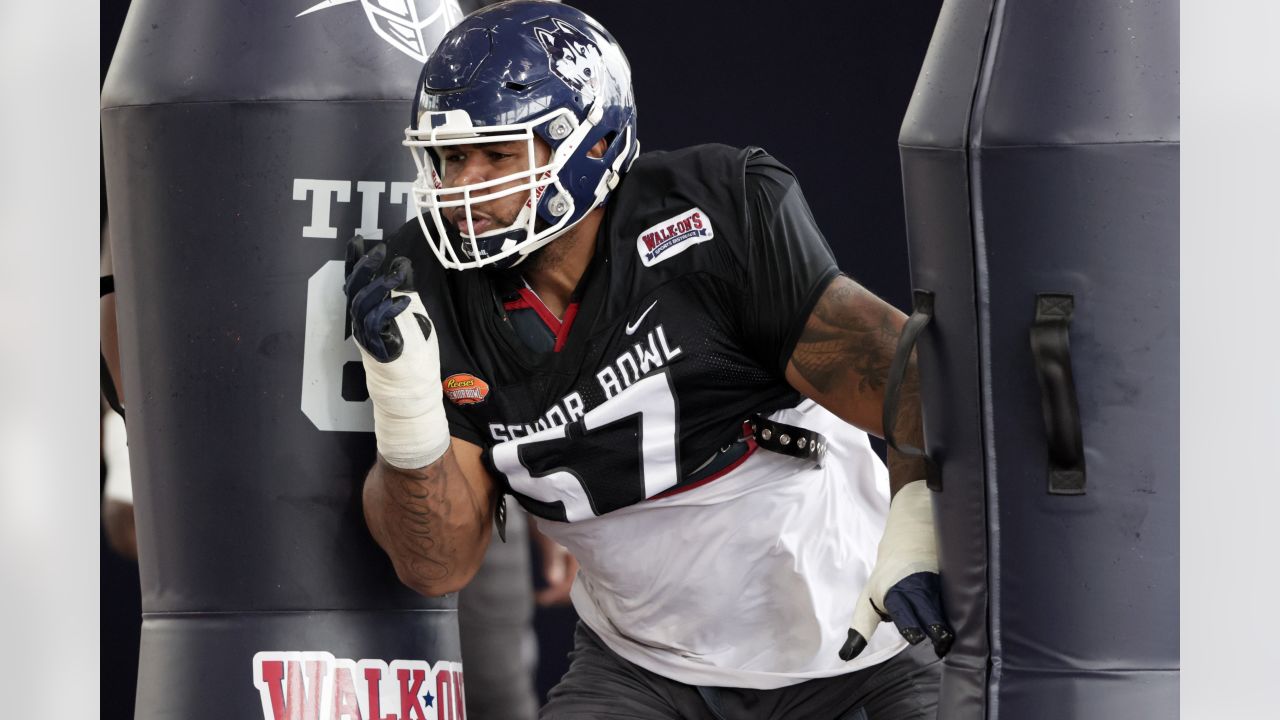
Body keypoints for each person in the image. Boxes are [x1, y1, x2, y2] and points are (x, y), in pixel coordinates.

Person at [345, 2, 953, 717]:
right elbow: (435, 564)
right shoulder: (425, 284)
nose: (463, 189)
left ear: (594, 144)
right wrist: (403, 400)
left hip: (857, 646)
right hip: (646, 670)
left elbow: (912, 377)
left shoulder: (714, 216)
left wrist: (918, 527)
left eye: (498, 154)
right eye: (449, 158)